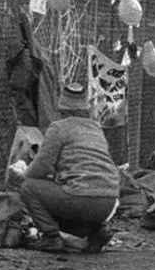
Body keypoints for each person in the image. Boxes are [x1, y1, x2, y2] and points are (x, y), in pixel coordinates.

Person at [16, 79, 119, 253]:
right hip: (108, 201)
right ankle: (95, 231)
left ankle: (51, 238)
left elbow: (40, 168)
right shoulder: (96, 128)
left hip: (81, 197)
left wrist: (22, 173)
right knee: (63, 199)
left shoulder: (59, 128)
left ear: (62, 109)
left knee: (29, 188)